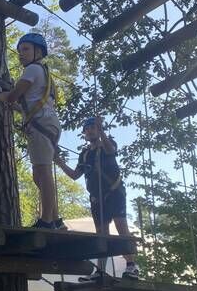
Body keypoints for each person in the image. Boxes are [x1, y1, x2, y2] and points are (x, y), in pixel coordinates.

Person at [54, 116, 139, 280]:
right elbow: (75, 175)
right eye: (87, 129)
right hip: (96, 198)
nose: (90, 131)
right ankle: (100, 270)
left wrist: (102, 131)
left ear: (98, 130)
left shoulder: (108, 143)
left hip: (114, 193)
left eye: (93, 128)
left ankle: (131, 265)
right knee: (101, 233)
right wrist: (59, 162)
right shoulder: (85, 154)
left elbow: (111, 151)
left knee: (121, 227)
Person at [0, 33, 65, 229]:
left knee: (43, 172)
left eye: (26, 49)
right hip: (45, 123)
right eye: (19, 51)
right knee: (38, 175)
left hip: (41, 124)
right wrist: (18, 108)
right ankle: (56, 219)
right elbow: (30, 102)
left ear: (39, 52)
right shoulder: (43, 72)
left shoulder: (33, 69)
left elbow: (13, 95)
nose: (21, 54)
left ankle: (47, 221)